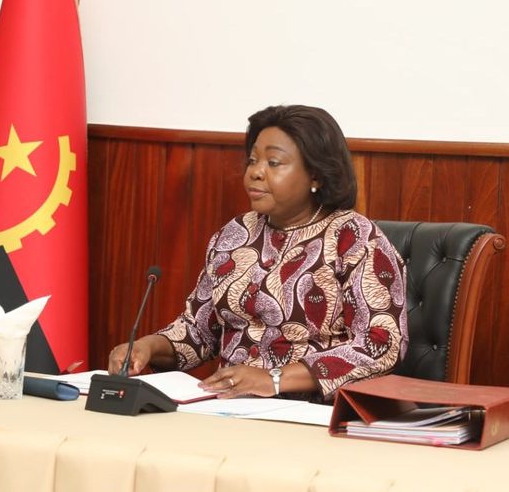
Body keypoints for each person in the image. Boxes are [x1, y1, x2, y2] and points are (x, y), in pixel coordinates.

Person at [108, 105, 408, 401]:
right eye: (252, 161)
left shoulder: (354, 237)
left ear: (316, 175)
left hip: (313, 413)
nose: (255, 172)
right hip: (229, 407)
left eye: (273, 163)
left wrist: (274, 379)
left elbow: (382, 344)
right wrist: (147, 347)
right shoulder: (236, 233)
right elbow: (198, 332)